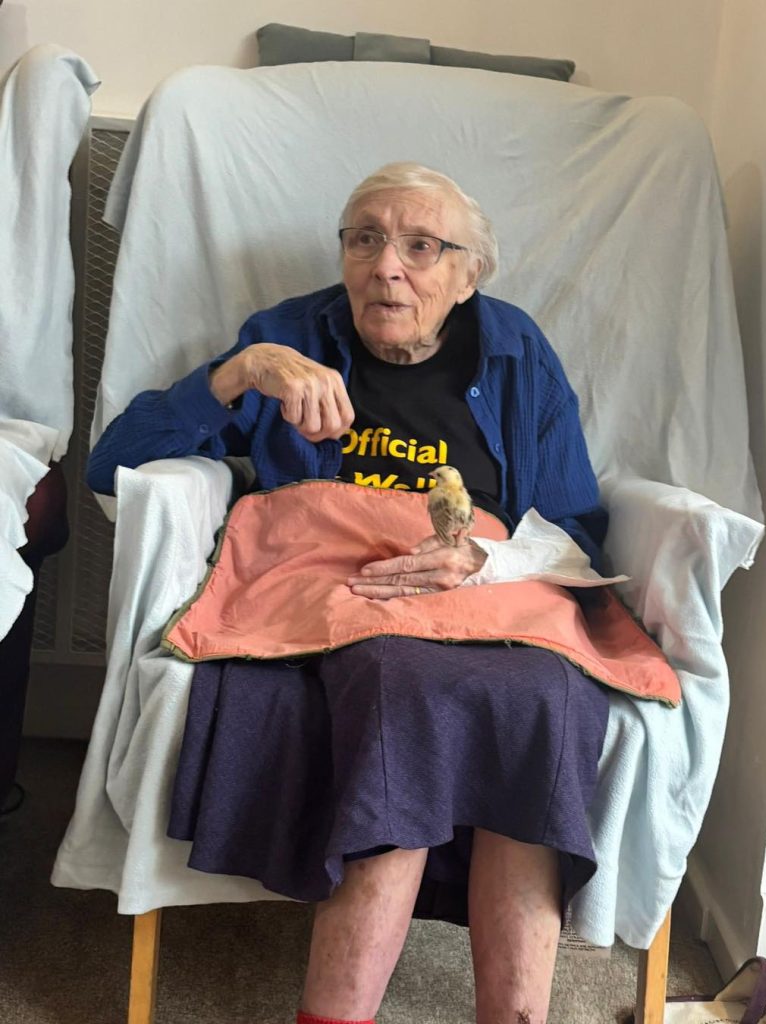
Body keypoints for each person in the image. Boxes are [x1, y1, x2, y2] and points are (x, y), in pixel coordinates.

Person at [88, 163, 611, 1024]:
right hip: (334, 580)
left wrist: (485, 560)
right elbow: (113, 465)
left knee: (548, 693)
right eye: (363, 239)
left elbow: (575, 528)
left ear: (468, 273)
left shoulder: (517, 353)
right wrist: (233, 373)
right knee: (400, 681)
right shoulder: (288, 335)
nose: (385, 266)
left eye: (419, 246)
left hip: (481, 585)